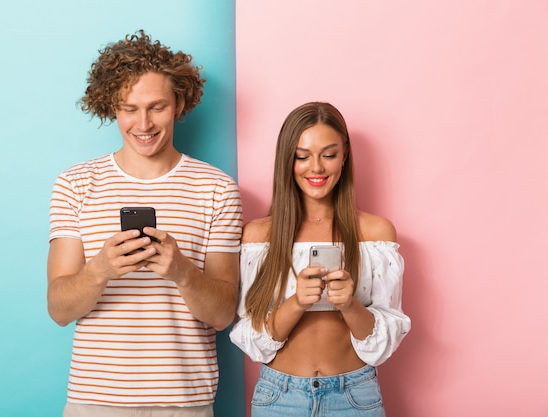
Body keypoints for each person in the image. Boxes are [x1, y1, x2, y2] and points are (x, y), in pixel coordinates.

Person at [47, 30, 243, 417]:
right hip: (95, 400)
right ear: (111, 107)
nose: (143, 123)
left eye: (157, 107)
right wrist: (101, 269)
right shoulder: (75, 184)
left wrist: (182, 271)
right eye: (129, 108)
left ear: (179, 103)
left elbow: (223, 314)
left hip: (185, 402)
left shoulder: (218, 188)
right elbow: (58, 308)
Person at [229, 102, 410, 416]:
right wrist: (297, 301)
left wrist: (348, 303)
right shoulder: (259, 236)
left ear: (345, 155)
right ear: (287, 159)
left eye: (328, 154)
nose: (316, 168)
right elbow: (254, 336)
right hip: (279, 398)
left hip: (355, 398)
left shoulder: (375, 233)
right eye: (302, 156)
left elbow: (383, 342)